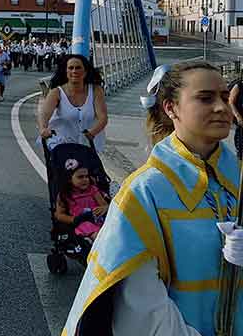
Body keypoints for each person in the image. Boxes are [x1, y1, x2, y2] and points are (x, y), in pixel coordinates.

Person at [62, 61, 243, 335]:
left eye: (224, 96)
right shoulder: (144, 192)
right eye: (205, 98)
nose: (221, 107)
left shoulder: (238, 179)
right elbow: (143, 309)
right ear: (171, 108)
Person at [37, 54, 108, 152]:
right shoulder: (56, 92)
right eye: (71, 68)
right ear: (66, 72)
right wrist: (43, 128)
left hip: (87, 145)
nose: (74, 71)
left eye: (78, 68)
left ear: (85, 72)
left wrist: (92, 132)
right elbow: (44, 114)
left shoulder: (96, 90)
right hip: (61, 143)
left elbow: (103, 117)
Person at [54, 158, 108, 241]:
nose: (85, 179)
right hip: (81, 221)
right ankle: (98, 241)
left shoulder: (92, 189)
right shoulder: (65, 195)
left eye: (87, 176)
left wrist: (104, 208)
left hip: (98, 218)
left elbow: (104, 205)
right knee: (88, 227)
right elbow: (59, 215)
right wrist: (73, 219)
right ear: (70, 179)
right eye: (80, 177)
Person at [230, 77, 243, 160]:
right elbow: (231, 102)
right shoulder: (239, 85)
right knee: (240, 139)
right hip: (240, 116)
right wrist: (238, 116)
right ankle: (239, 156)